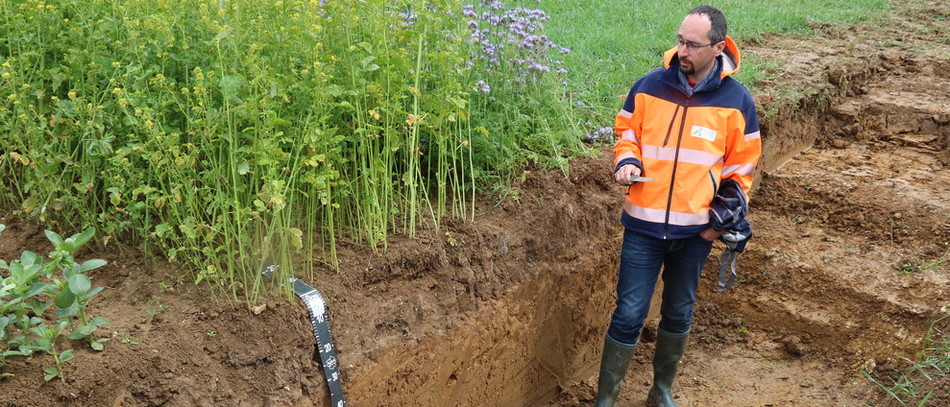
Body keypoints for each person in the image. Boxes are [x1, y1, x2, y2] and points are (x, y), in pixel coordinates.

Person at [596, 5, 761, 407]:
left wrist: (716, 226)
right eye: (680, 40)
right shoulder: (649, 86)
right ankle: (606, 401)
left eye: (692, 44)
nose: (681, 51)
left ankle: (661, 391)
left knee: (678, 312)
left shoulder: (737, 102)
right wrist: (627, 160)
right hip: (643, 227)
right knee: (629, 314)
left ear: (718, 47)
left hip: (696, 234)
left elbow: (741, 173)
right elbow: (626, 134)